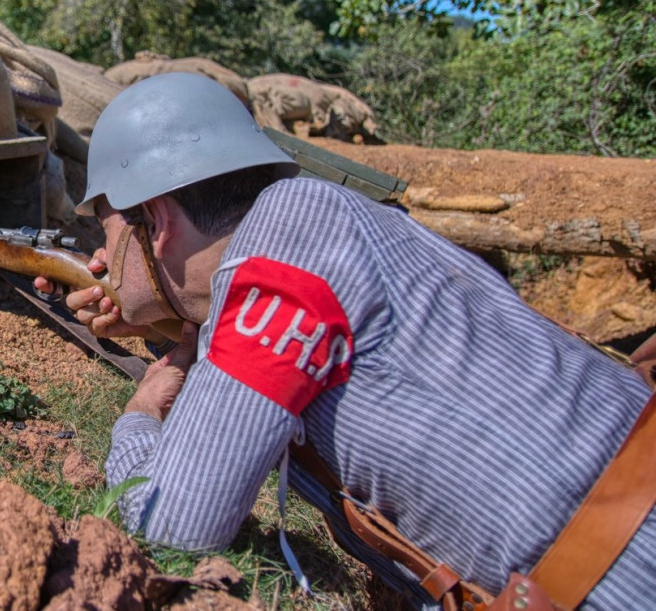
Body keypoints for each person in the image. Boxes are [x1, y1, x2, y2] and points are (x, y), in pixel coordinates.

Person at [34, 72, 655, 610]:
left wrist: (140, 415)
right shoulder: (319, 220)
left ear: (158, 220)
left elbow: (169, 520)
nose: (103, 250)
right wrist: (170, 320)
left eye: (107, 225)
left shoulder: (273, 268)